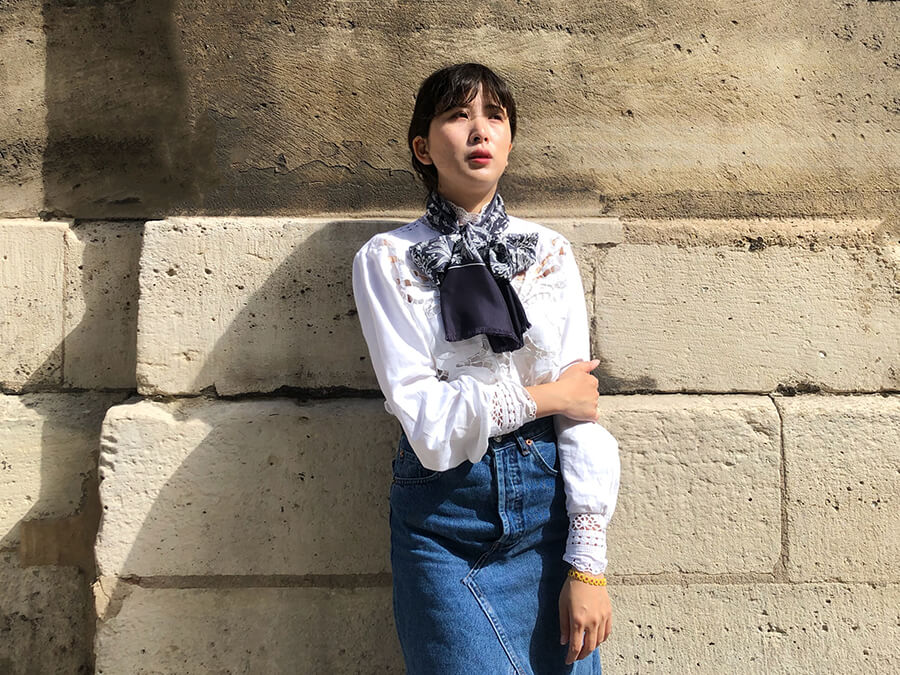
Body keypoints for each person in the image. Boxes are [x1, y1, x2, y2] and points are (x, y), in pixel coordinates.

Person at [351, 62, 621, 674]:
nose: (479, 132)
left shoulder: (549, 253)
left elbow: (584, 420)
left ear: (509, 141)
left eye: (494, 117)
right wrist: (547, 397)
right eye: (458, 116)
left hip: (548, 510)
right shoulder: (387, 260)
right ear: (423, 146)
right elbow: (428, 421)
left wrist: (587, 566)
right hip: (441, 518)